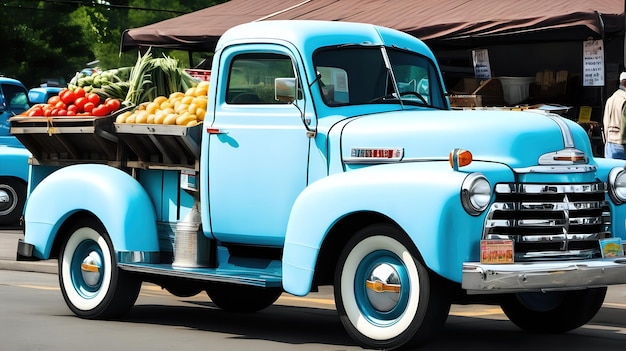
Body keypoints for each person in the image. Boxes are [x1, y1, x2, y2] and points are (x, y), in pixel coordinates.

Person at [603, 72, 626, 159]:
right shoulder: (624, 99)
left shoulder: (610, 99)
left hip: (610, 142)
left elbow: (606, 122)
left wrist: (606, 141)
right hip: (622, 143)